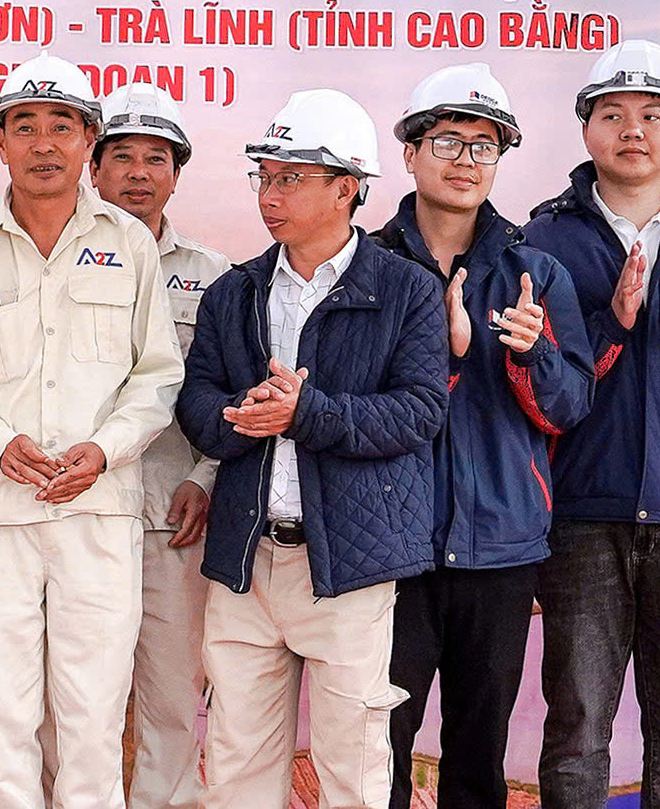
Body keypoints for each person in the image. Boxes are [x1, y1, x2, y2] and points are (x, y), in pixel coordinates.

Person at [0, 54, 184, 808]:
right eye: (23, 126)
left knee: (92, 715)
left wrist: (104, 450)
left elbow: (158, 375)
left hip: (96, 511)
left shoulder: (129, 243)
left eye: (61, 126)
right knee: (1, 715)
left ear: (88, 140)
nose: (42, 143)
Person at [176, 88, 447, 809]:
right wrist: (241, 415)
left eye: (291, 177)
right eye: (264, 176)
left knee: (352, 769)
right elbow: (195, 400)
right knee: (234, 765)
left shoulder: (407, 290)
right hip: (246, 558)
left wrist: (308, 413)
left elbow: (421, 411)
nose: (270, 195)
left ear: (347, 187)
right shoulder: (234, 291)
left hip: (352, 563)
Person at [370, 64, 592, 809]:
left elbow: (569, 408)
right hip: (390, 549)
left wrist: (531, 354)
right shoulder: (367, 265)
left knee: (478, 757)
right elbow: (349, 403)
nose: (466, 160)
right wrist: (441, 354)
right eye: (447, 141)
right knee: (376, 750)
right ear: (410, 152)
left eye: (484, 146)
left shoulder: (536, 273)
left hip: (500, 547)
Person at [521, 40, 660, 807]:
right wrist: (611, 318)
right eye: (612, 114)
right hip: (582, 514)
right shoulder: (543, 238)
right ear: (586, 128)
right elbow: (534, 378)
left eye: (652, 114)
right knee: (576, 730)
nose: (632, 130)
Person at [87, 82, 229, 809]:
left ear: (177, 174)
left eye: (156, 159)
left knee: (173, 701)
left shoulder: (213, 276)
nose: (138, 173)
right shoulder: (53, 260)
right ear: (93, 167)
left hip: (172, 521)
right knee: (74, 704)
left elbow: (234, 394)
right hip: (76, 516)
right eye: (122, 157)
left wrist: (206, 475)